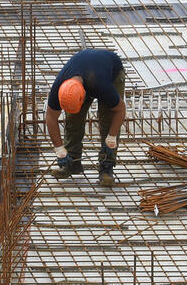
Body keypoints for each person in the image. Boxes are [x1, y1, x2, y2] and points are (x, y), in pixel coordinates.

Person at [44, 49, 127, 185]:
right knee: (73, 119)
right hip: (87, 69)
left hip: (111, 72)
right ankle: (72, 163)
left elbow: (120, 109)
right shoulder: (59, 86)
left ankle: (107, 166)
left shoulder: (102, 85)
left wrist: (111, 138)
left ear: (84, 95)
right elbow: (51, 117)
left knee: (108, 118)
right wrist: (59, 150)